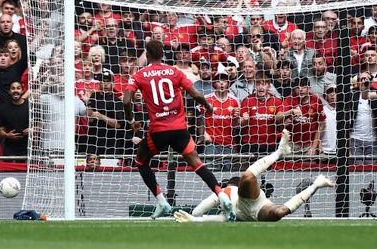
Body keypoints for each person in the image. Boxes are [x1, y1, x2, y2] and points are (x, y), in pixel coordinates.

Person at [122, 39, 236, 220]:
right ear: (163, 54)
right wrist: (207, 107)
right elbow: (196, 94)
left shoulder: (140, 74)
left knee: (141, 162)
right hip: (180, 130)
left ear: (148, 55)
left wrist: (131, 121)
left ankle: (161, 201)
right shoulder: (175, 71)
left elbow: (126, 100)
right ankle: (221, 194)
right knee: (197, 164)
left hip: (158, 131)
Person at [173, 129, 335, 222]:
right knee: (280, 213)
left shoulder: (227, 192)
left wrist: (216, 199)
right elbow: (207, 218)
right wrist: (195, 220)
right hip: (256, 213)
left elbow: (198, 212)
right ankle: (316, 184)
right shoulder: (228, 211)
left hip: (253, 202)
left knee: (248, 176)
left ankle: (279, 152)